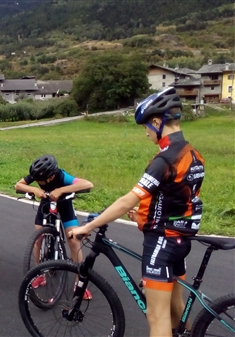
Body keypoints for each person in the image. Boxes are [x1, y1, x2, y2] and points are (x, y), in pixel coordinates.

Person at [70, 87, 204, 337]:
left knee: (157, 318)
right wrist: (145, 213)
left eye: (146, 127)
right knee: (177, 307)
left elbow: (126, 200)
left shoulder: (164, 160)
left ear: (157, 122)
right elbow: (176, 197)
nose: (145, 133)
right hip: (180, 239)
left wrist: (87, 226)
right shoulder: (193, 155)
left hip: (161, 244)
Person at [14, 154, 94, 298]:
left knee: (74, 241)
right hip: (46, 204)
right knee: (38, 239)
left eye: (40, 181)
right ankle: (40, 274)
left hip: (64, 205)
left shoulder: (61, 176)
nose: (37, 181)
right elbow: (18, 185)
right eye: (35, 179)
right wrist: (35, 190)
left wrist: (61, 190)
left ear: (50, 177)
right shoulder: (37, 174)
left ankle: (79, 282)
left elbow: (88, 184)